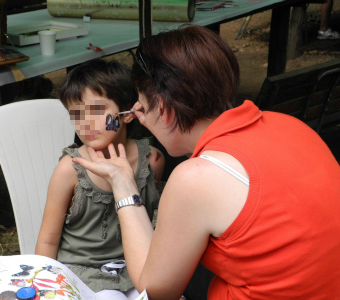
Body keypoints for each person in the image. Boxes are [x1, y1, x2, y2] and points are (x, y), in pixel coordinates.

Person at [72, 25, 340, 299]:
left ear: (163, 108)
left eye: (141, 106)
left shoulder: (195, 179)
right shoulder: (290, 124)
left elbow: (154, 291)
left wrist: (122, 182)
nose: (138, 115)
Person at [35, 59, 165, 299]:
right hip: (83, 273)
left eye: (95, 111)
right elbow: (48, 239)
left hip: (138, 266)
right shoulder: (69, 170)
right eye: (76, 114)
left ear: (127, 113)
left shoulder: (153, 161)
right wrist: (45, 287)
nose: (84, 123)